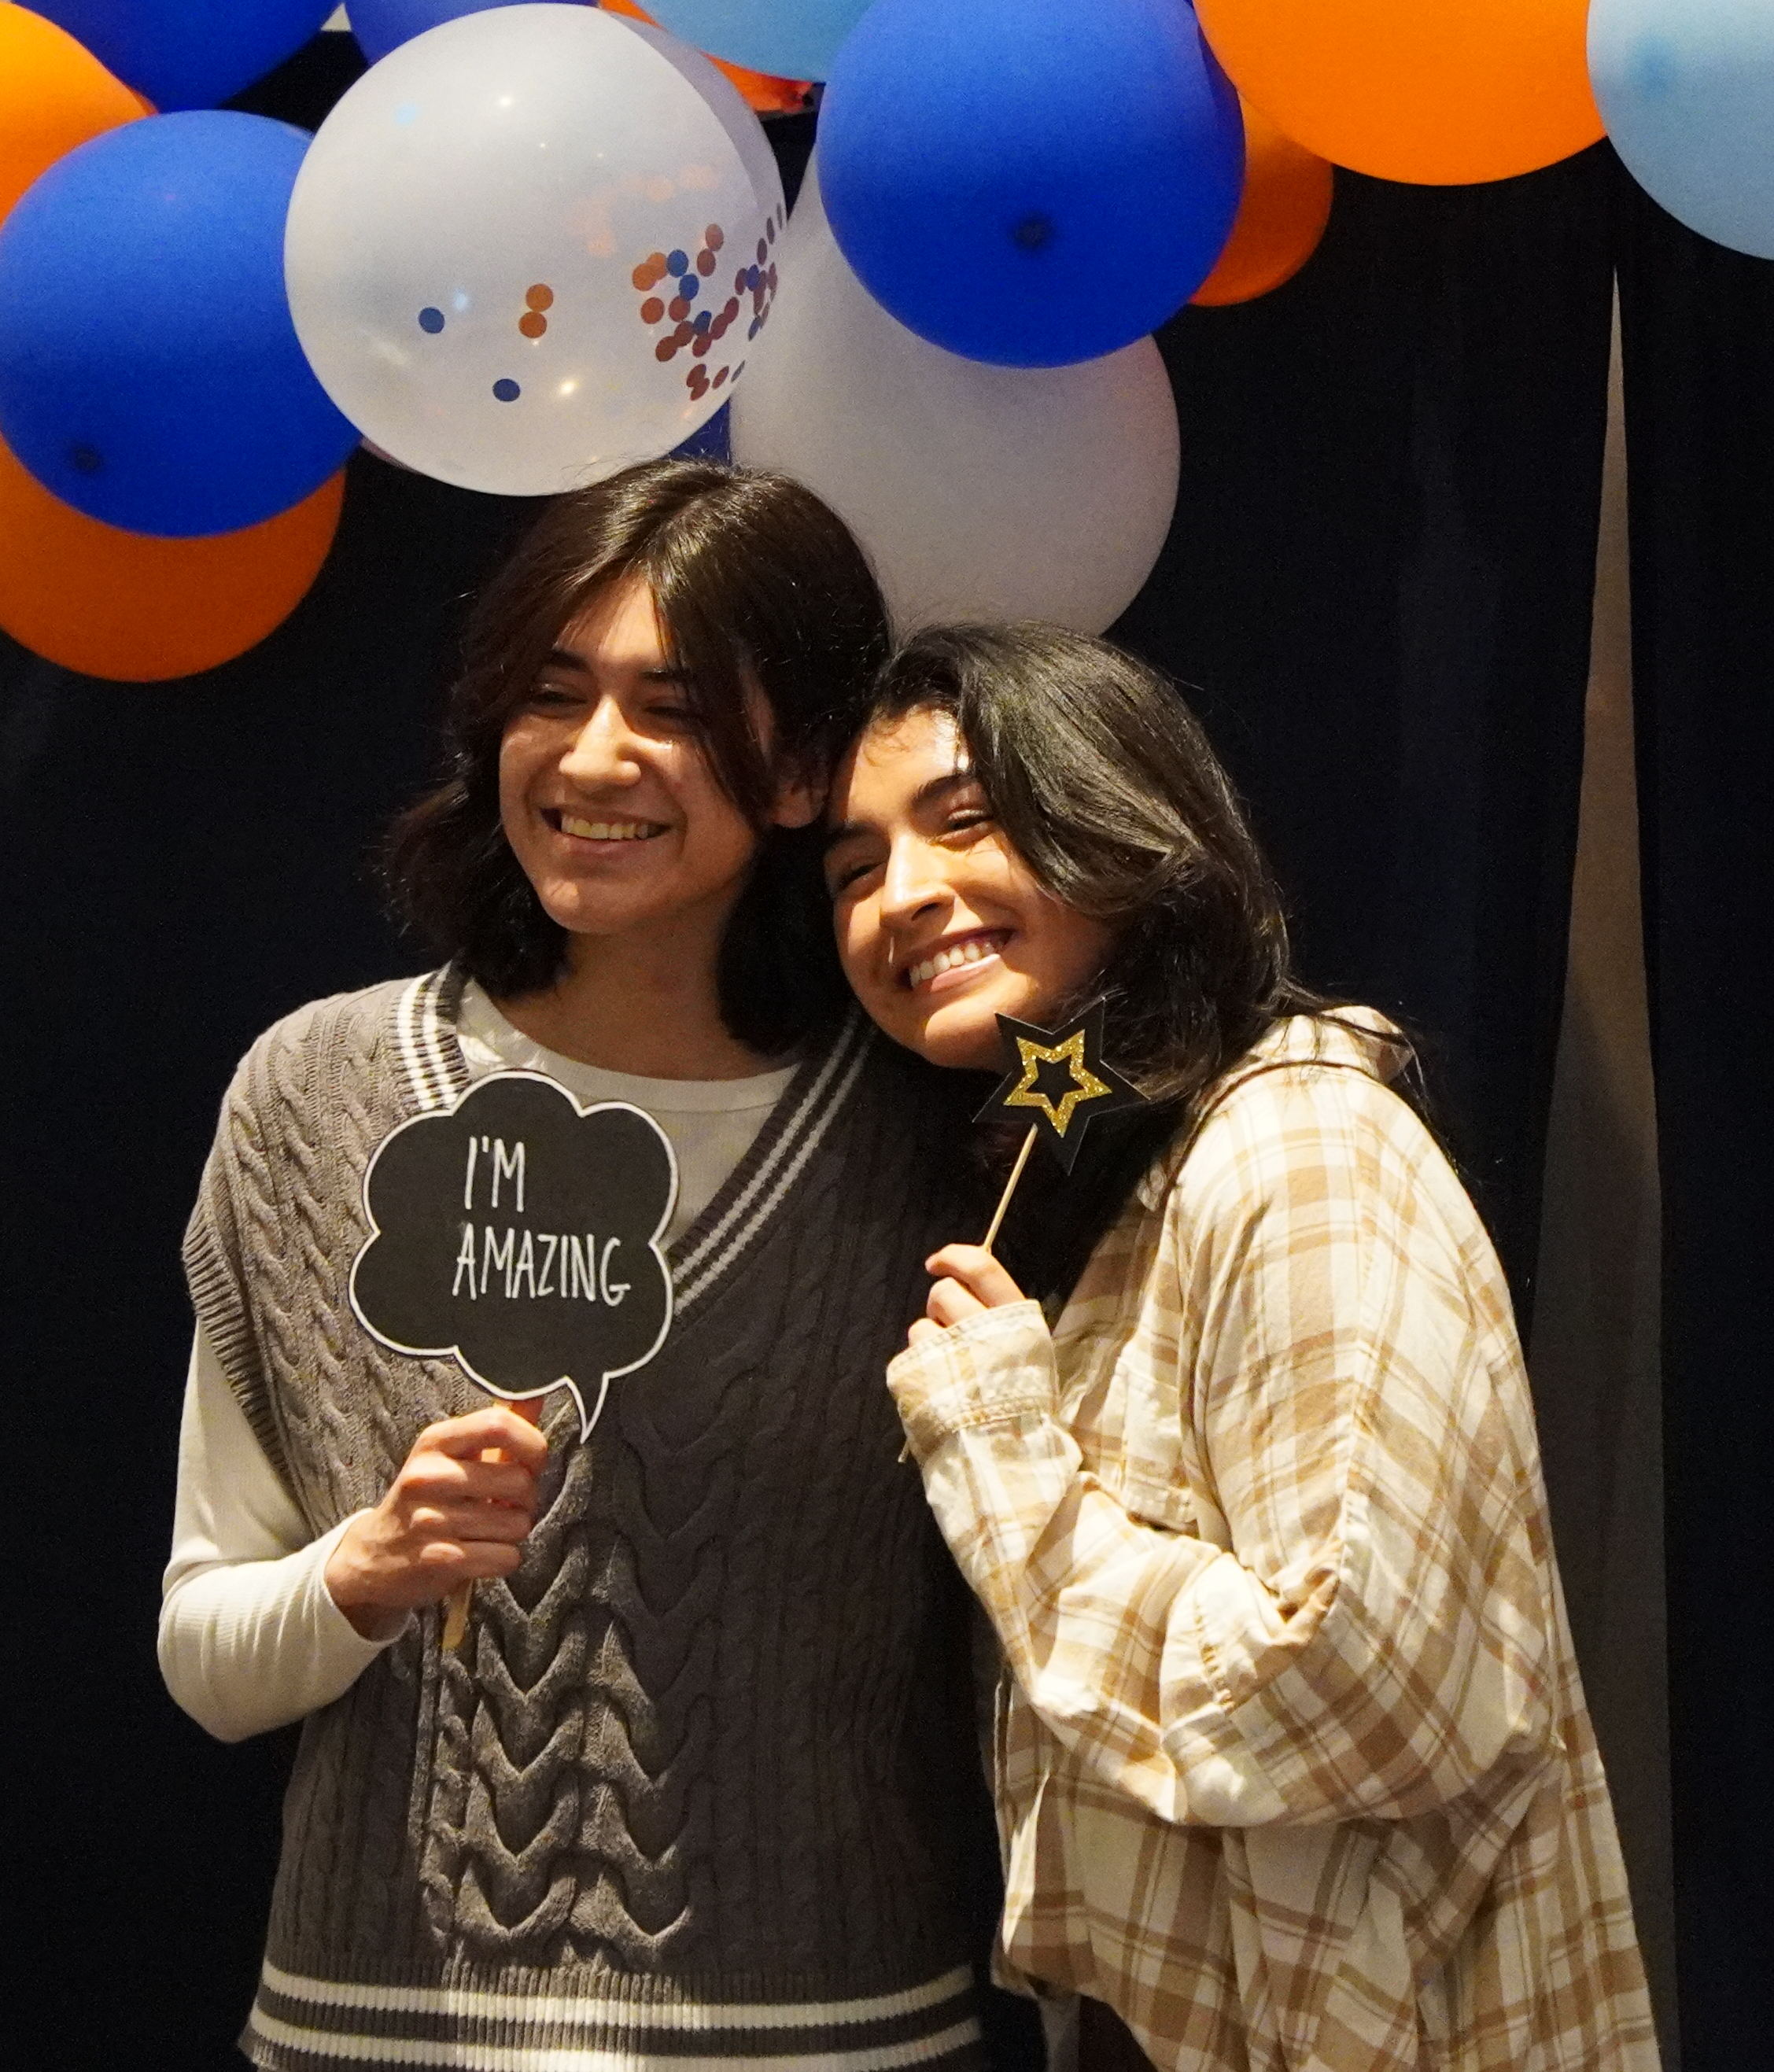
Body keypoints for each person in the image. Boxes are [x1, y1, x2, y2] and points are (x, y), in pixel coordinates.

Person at [160, 462, 1016, 2072]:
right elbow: (205, 1655)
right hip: (377, 2030)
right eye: (551, 696)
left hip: (827, 2033)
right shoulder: (313, 1098)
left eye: (674, 709)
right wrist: (367, 1569)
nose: (595, 756)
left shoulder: (934, 1130)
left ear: (796, 771)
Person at [821, 622, 1660, 2072]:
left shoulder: (1297, 1142)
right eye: (849, 868)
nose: (902, 895)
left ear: (1118, 818)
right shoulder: (1107, 1193)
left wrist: (1008, 1465)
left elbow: (1370, 1685)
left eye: (964, 820)